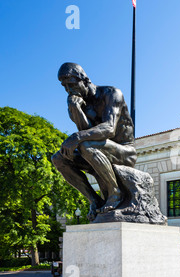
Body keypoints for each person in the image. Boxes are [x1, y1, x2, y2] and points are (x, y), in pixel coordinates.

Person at [52, 63, 137, 221]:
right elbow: (86, 130)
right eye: (65, 87)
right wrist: (76, 109)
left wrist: (76, 137)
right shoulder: (76, 102)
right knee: (59, 158)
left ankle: (115, 193)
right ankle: (94, 200)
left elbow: (109, 128)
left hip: (125, 152)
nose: (69, 90)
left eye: (71, 85)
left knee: (84, 144)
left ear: (84, 79)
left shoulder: (111, 93)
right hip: (97, 150)